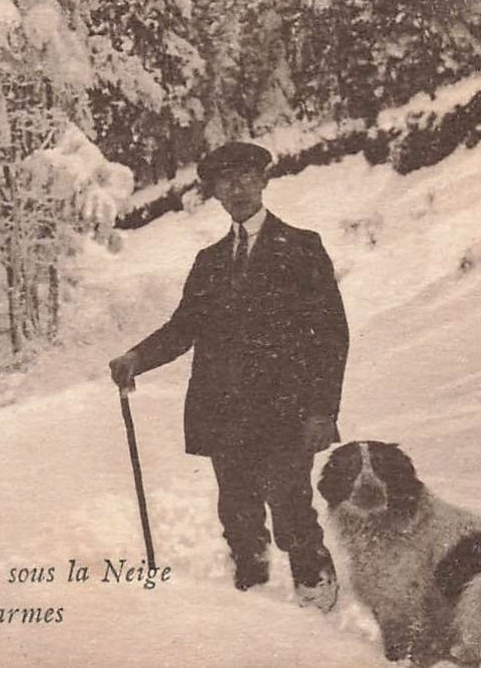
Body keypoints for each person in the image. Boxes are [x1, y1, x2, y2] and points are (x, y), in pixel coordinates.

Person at [109, 141, 349, 611]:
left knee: (291, 510)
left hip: (286, 412)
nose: (237, 188)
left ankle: (318, 601)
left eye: (245, 177)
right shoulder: (209, 261)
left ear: (263, 182)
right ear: (215, 193)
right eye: (226, 181)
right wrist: (137, 357)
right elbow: (184, 327)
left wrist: (323, 410)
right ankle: (251, 602)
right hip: (224, 414)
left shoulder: (302, 247)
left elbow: (331, 335)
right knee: (237, 516)